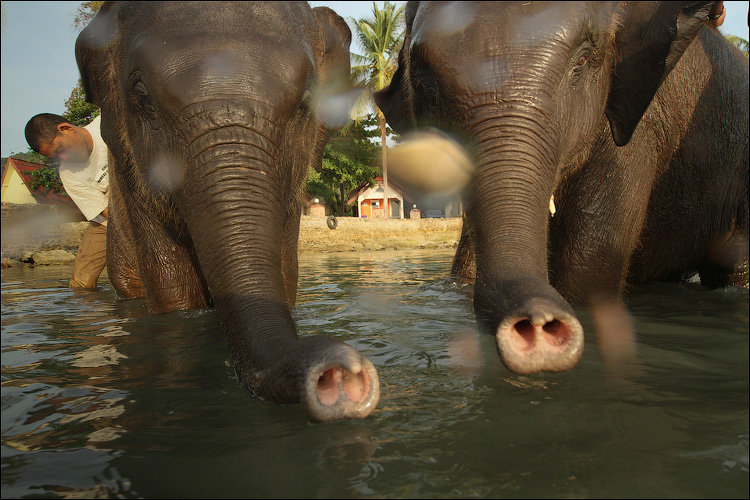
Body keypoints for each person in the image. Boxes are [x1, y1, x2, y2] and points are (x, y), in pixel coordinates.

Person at [25, 113, 109, 289]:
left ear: (67, 129)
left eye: (60, 150)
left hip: (150, 196)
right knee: (80, 284)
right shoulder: (68, 174)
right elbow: (105, 211)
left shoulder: (108, 123)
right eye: (55, 158)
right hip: (108, 221)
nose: (63, 159)